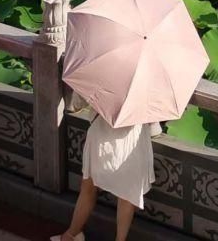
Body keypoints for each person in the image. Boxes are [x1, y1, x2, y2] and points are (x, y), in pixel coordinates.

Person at [52, 98, 157, 241]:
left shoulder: (103, 75)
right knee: (127, 196)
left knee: (89, 187)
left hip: (102, 134)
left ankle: (72, 234)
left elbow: (76, 104)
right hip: (133, 142)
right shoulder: (146, 83)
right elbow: (154, 128)